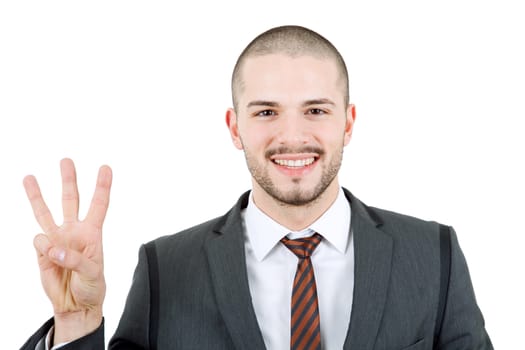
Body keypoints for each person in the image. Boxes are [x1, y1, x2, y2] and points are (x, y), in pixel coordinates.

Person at [21, 25, 492, 350]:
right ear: (234, 127)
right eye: (266, 112)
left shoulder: (433, 255)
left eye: (316, 110)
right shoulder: (166, 267)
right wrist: (76, 322)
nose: (292, 136)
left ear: (348, 123)